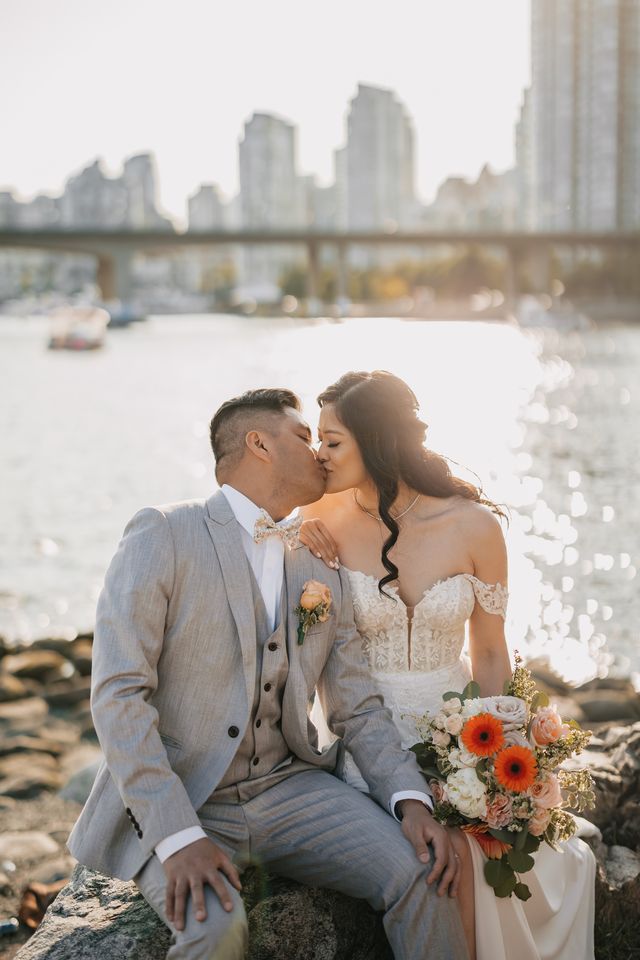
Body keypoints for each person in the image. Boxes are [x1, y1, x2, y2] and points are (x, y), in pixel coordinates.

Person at [67, 387, 469, 960]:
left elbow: (355, 704)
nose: (320, 453)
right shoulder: (164, 532)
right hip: (186, 795)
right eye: (305, 437)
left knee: (425, 873)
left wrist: (411, 801)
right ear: (258, 443)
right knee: (215, 928)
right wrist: (179, 838)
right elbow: (118, 696)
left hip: (288, 786)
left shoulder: (321, 560)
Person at [299, 370, 597, 960]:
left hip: (460, 727)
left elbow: (489, 651)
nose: (318, 454)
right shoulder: (318, 519)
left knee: (502, 845)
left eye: (332, 441)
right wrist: (294, 534)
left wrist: (506, 758)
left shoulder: (474, 526)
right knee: (440, 857)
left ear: (378, 440)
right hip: (365, 734)